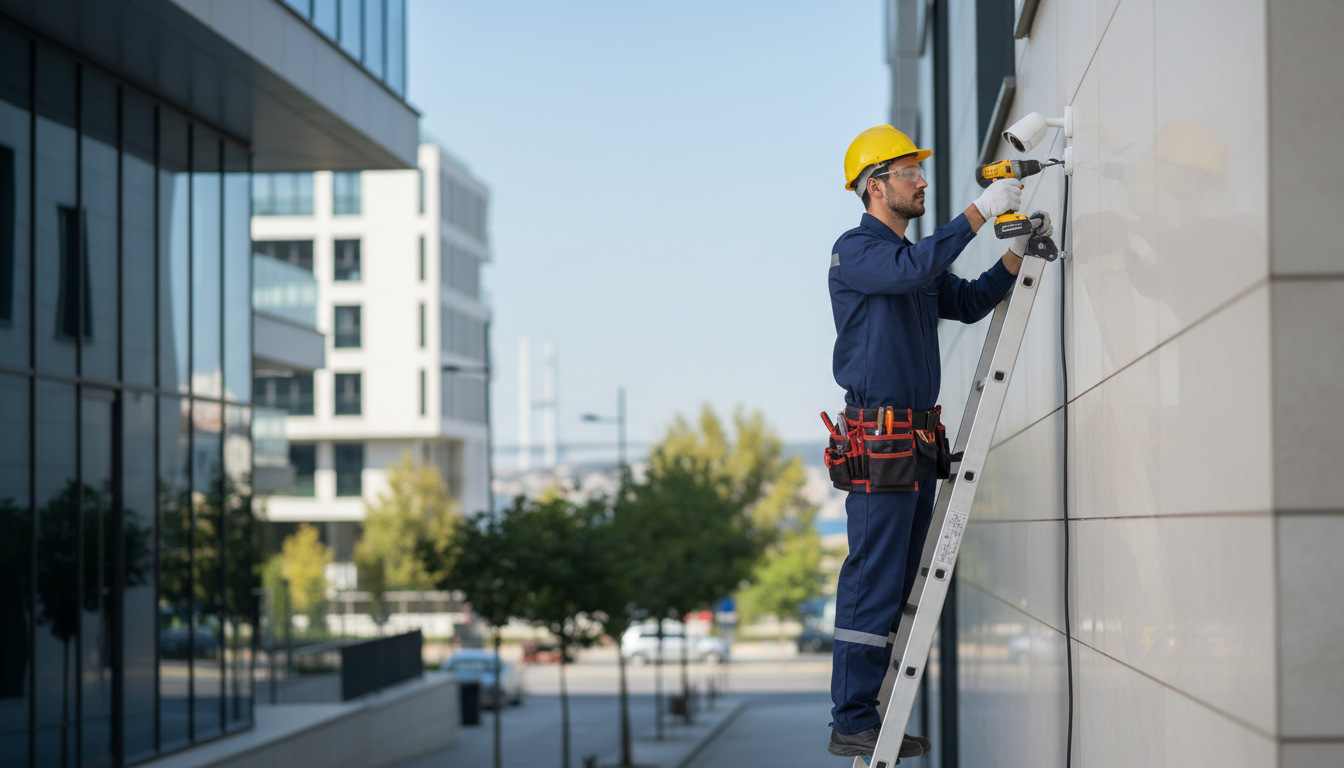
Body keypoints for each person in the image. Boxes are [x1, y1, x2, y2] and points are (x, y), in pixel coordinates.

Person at [826, 125, 1051, 759]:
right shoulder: (859, 252)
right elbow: (915, 267)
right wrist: (982, 209)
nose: (922, 181)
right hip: (882, 446)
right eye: (909, 172)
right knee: (872, 579)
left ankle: (867, 711)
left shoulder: (909, 266)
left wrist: (1018, 253)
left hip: (915, 448)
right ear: (877, 186)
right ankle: (850, 718)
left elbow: (973, 300)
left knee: (895, 583)